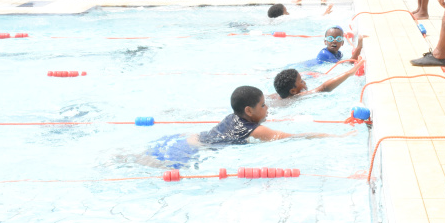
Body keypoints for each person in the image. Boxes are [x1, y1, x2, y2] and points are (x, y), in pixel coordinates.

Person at [144, 86, 355, 168]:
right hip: (188, 153)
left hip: (184, 141)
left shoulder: (231, 117)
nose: (267, 108)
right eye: (263, 105)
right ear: (248, 111)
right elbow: (293, 137)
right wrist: (333, 136)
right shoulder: (256, 130)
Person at [273, 60, 364, 99]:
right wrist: (349, 73)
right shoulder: (297, 96)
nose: (304, 81)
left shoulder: (277, 96)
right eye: (301, 81)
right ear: (293, 91)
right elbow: (324, 88)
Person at [267, 3, 333, 18]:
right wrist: (324, 14)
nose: (288, 13)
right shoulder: (287, 18)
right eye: (286, 11)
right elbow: (310, 17)